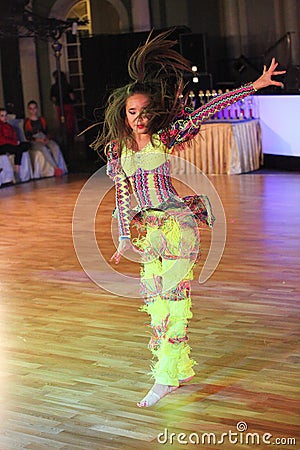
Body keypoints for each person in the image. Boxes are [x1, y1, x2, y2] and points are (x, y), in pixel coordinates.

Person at [92, 30, 285, 408]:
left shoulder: (165, 138)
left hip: (178, 227)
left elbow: (206, 110)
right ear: (124, 114)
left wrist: (255, 85)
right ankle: (177, 369)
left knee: (174, 300)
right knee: (157, 304)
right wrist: (123, 238)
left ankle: (163, 378)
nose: (140, 119)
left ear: (154, 113)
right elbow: (122, 194)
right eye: (133, 112)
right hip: (147, 232)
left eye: (146, 111)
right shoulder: (117, 149)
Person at [24, 100, 67, 176]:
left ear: (37, 109)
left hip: (44, 137)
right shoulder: (27, 121)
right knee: (43, 149)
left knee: (55, 146)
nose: (33, 110)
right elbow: (28, 136)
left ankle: (58, 166)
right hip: (35, 139)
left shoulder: (42, 119)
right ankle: (55, 168)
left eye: (34, 108)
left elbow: (47, 131)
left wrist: (46, 138)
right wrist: (38, 140)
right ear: (28, 110)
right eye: (31, 108)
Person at [50, 70, 78, 160]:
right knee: (70, 126)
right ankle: (70, 145)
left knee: (62, 126)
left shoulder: (54, 87)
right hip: (68, 107)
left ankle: (64, 144)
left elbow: (53, 99)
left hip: (60, 107)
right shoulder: (67, 86)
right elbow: (72, 97)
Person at [0, 108, 31, 182]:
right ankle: (17, 170)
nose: (4, 117)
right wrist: (14, 142)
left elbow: (14, 136)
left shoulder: (9, 126)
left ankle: (17, 169)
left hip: (11, 144)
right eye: (2, 116)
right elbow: (1, 139)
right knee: (18, 148)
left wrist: (16, 142)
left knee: (26, 145)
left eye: (5, 115)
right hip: (2, 145)